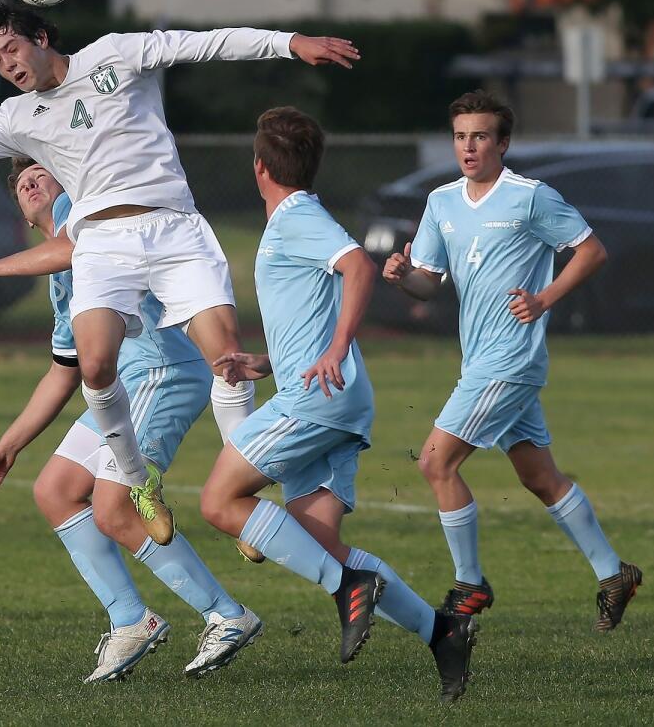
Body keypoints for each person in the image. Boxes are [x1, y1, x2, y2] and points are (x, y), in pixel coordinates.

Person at [0, 0, 360, 545]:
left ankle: (247, 486)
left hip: (173, 227)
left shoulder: (114, 55)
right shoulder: (18, 117)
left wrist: (290, 43)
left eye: (12, 49)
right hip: (103, 243)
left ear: (41, 38)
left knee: (228, 361)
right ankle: (138, 481)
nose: (9, 66)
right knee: (94, 366)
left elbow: (206, 43)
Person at [199, 107, 477, 702]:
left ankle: (351, 585)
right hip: (326, 393)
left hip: (316, 401)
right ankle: (442, 632)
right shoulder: (295, 220)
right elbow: (313, 308)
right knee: (319, 544)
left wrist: (338, 347)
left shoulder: (297, 215)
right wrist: (269, 363)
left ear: (259, 168)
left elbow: (358, 266)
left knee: (220, 500)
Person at [0, 157, 261, 681]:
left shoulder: (79, 215)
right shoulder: (57, 276)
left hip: (163, 372)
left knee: (114, 506)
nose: (31, 183)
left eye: (40, 171)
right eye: (20, 182)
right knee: (55, 490)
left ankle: (226, 614)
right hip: (127, 383)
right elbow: (65, 371)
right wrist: (8, 445)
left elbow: (73, 246)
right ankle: (132, 618)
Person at [382, 90, 641, 632]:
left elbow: (591, 251)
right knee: (539, 476)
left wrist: (544, 299)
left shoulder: (530, 197)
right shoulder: (441, 202)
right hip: (479, 359)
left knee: (435, 462)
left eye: (480, 136)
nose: (469, 147)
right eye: (460, 136)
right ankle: (614, 573)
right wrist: (403, 273)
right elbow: (429, 284)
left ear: (503, 143)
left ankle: (469, 584)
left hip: (510, 360)